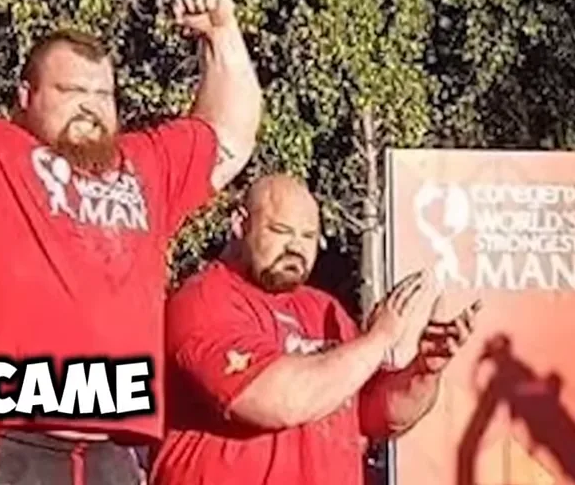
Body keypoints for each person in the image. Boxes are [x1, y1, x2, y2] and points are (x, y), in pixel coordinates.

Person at [0, 0, 263, 484]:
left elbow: (231, 137)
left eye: (102, 94)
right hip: (1, 437)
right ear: (26, 95)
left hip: (111, 445)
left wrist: (223, 34)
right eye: (71, 91)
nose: (90, 106)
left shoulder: (145, 167)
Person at [151, 174, 479, 485]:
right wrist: (378, 339)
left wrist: (423, 371)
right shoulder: (204, 300)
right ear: (240, 224)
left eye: (308, 236)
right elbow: (277, 400)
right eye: (281, 230)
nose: (296, 247)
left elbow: (376, 414)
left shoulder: (325, 309)